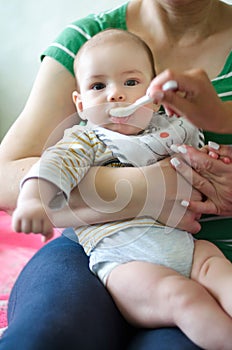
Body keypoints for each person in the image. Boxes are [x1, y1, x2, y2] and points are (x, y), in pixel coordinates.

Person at [0, 1, 231, 349]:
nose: (115, 94)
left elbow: (199, 146)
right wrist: (145, 189)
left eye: (131, 82)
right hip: (119, 254)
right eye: (98, 87)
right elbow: (38, 169)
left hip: (191, 245)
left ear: (153, 95)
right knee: (181, 299)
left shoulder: (167, 126)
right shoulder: (84, 138)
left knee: (219, 276)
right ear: (79, 105)